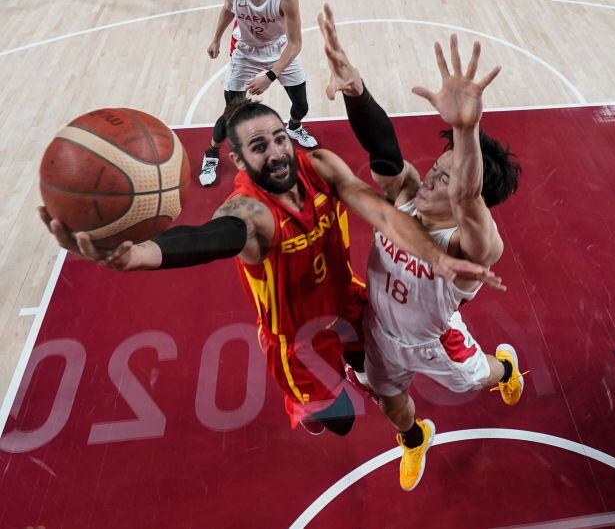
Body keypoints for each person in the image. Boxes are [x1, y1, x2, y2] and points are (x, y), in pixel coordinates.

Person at [39, 98, 500, 437]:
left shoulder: (317, 165)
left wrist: (437, 257)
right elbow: (209, 239)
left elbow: (383, 211)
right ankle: (320, 403)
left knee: (376, 378)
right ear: (238, 159)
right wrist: (141, 255)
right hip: (299, 337)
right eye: (259, 147)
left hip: (350, 303)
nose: (277, 153)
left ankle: (375, 381)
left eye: (280, 138)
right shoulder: (250, 211)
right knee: (338, 423)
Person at [318, 4, 524, 491]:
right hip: (381, 329)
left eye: (449, 176)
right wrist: (357, 92)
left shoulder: (472, 244)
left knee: (478, 379)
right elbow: (384, 151)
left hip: (437, 342)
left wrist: (467, 130)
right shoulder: (407, 193)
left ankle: (506, 367)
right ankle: (415, 438)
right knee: (391, 404)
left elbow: (469, 196)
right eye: (439, 162)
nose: (433, 173)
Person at [199, 0, 318, 188]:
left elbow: (295, 44)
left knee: (302, 104)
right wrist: (216, 39)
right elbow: (228, 9)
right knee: (231, 112)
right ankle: (211, 153)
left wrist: (270, 76)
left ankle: (294, 127)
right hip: (245, 51)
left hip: (279, 50)